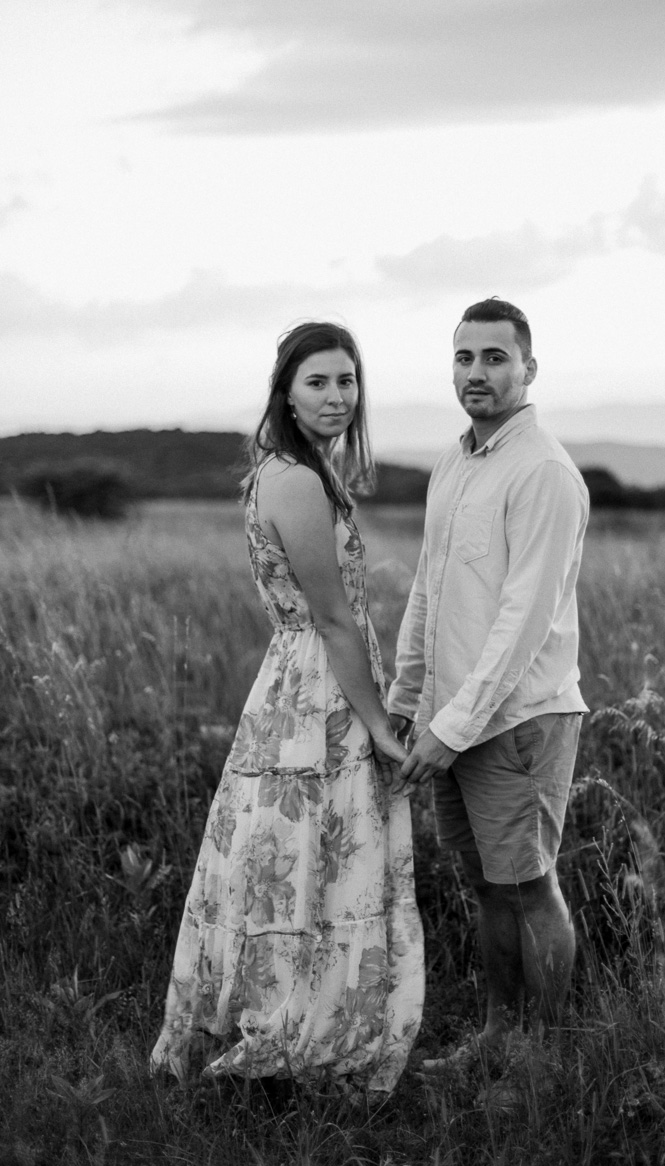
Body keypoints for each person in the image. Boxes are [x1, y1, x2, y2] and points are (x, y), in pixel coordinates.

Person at [151, 321, 424, 1096]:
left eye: (347, 381)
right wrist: (377, 725)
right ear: (287, 394)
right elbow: (333, 618)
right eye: (319, 383)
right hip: (315, 688)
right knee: (312, 849)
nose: (338, 397)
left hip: (300, 677)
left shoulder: (294, 469)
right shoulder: (297, 481)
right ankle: (296, 1021)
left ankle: (289, 1002)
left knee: (298, 854)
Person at [388, 297, 588, 1068]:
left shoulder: (542, 473)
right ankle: (499, 1037)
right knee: (487, 889)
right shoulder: (457, 459)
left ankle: (540, 1057)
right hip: (452, 720)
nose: (477, 373)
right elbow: (429, 591)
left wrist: (451, 726)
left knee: (528, 886)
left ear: (528, 369)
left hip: (518, 721)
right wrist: (410, 701)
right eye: (465, 358)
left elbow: (522, 622)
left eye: (495, 358)